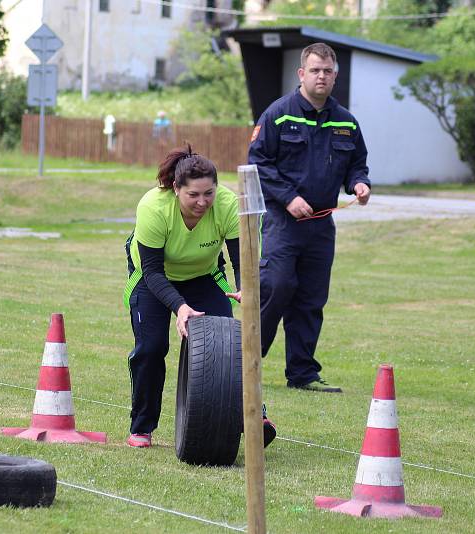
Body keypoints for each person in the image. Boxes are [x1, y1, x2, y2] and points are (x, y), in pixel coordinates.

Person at [123, 144, 277, 448]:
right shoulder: (153, 207)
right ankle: (142, 426)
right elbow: (152, 271)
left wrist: (247, 287)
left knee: (228, 344)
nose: (202, 202)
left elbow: (242, 260)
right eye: (193, 195)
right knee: (152, 348)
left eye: (209, 193)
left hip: (203, 276)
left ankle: (253, 414)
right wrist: (180, 308)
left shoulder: (228, 205)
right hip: (153, 277)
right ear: (175, 189)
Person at [248, 42, 371, 393]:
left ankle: (302, 374)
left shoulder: (346, 122)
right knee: (277, 286)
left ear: (335, 76)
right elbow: (257, 162)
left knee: (311, 297)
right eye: (315, 70)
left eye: (328, 71)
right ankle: (248, 362)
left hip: (321, 224)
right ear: (301, 74)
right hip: (282, 221)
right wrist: (288, 198)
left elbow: (356, 164)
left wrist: (360, 184)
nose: (322, 76)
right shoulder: (278, 114)